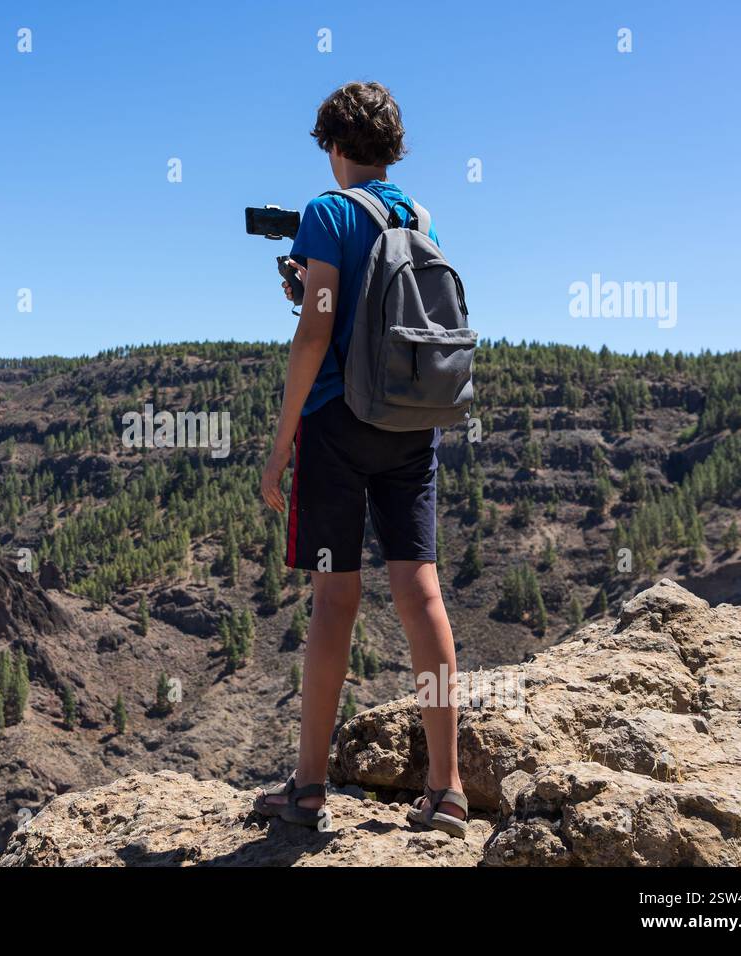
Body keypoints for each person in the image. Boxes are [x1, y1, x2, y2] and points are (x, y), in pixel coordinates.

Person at [254, 81, 468, 837]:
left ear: (335, 145)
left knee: (335, 600)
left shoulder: (327, 211)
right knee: (422, 594)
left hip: (337, 426)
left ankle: (309, 788)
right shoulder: (421, 217)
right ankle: (447, 790)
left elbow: (317, 330)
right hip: (411, 423)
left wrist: (282, 443)